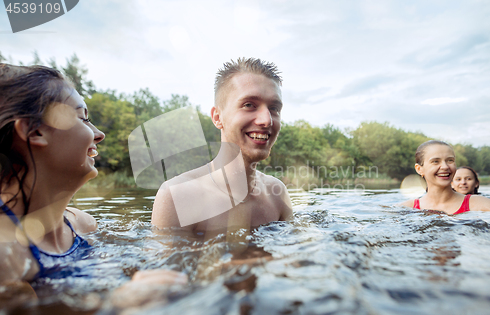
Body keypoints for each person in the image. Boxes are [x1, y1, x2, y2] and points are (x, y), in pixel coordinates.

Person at [0, 64, 185, 287]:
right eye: (83, 118)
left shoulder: (83, 225)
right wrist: (119, 306)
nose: (99, 134)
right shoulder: (6, 256)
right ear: (34, 131)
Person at [152, 58, 293, 235]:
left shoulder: (277, 195)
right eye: (249, 105)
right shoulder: (178, 197)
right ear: (218, 117)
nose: (266, 120)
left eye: (274, 108)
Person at [400, 140, 490, 214]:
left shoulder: (480, 204)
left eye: (450, 160)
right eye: (435, 161)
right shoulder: (406, 208)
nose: (445, 166)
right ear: (419, 169)